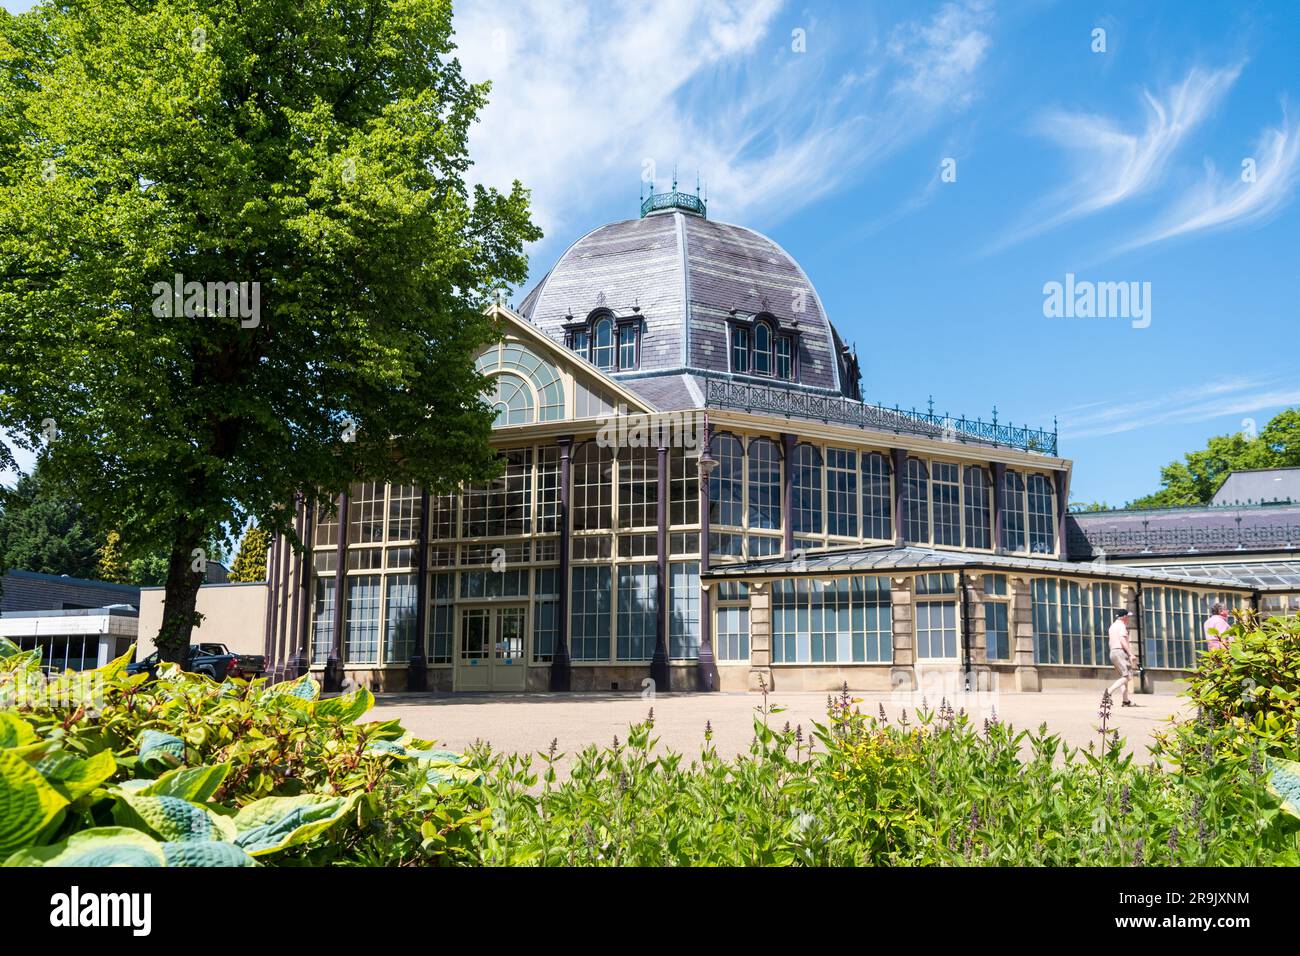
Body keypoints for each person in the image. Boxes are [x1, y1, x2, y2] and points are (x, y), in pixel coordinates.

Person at [1107, 609, 1136, 707]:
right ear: (1123, 617)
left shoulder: (1112, 626)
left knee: (1123, 677)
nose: (1128, 618)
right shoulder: (1121, 626)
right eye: (1127, 616)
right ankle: (1108, 692)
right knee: (1128, 676)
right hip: (1120, 652)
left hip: (1113, 652)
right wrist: (1130, 653)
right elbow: (1122, 639)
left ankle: (1126, 701)